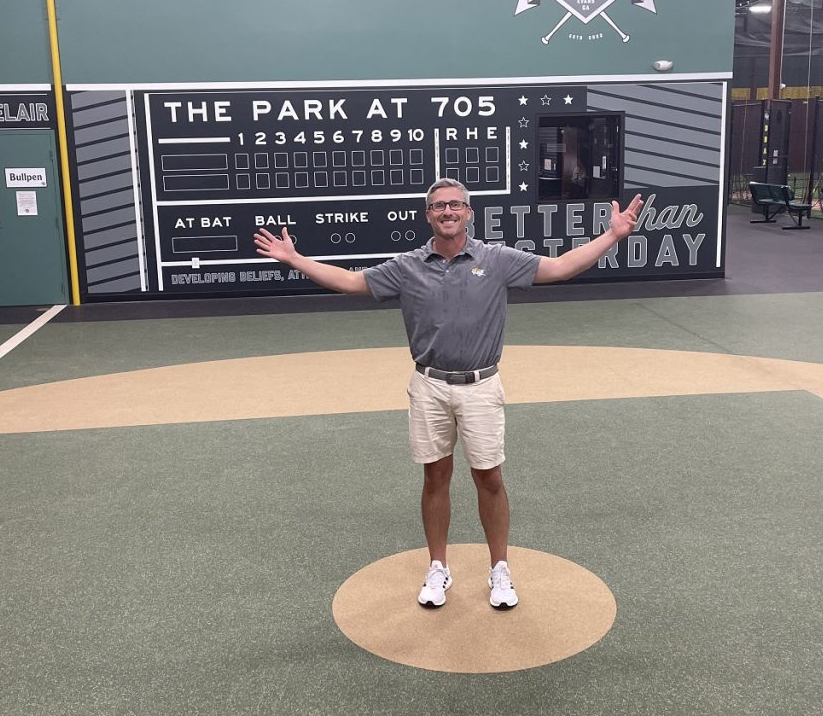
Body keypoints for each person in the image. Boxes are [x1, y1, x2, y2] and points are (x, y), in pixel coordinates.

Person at [253, 178, 643, 610]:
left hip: (481, 387)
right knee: (434, 477)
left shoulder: (497, 260)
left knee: (489, 478)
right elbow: (350, 281)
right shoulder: (407, 266)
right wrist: (294, 259)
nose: (448, 211)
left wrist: (612, 235)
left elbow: (559, 267)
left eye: (456, 204)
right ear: (428, 215)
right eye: (439, 206)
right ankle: (438, 568)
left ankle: (500, 571)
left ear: (469, 213)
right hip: (429, 386)